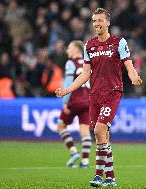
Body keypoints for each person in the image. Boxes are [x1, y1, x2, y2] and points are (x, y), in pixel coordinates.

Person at [56, 8, 142, 187]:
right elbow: (85, 74)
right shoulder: (89, 45)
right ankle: (110, 178)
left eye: (100, 20)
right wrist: (67, 90)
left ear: (108, 22)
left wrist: (134, 77)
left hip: (112, 93)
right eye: (94, 21)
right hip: (94, 95)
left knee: (98, 130)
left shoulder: (119, 42)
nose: (97, 24)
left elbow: (128, 64)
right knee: (102, 137)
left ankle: (97, 175)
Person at [56, 40, 91, 168]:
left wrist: (65, 101)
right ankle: (85, 162)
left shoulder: (71, 63)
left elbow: (69, 82)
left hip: (74, 101)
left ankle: (73, 152)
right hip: (87, 101)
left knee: (60, 126)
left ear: (76, 49)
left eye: (69, 48)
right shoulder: (88, 63)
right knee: (84, 131)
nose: (67, 50)